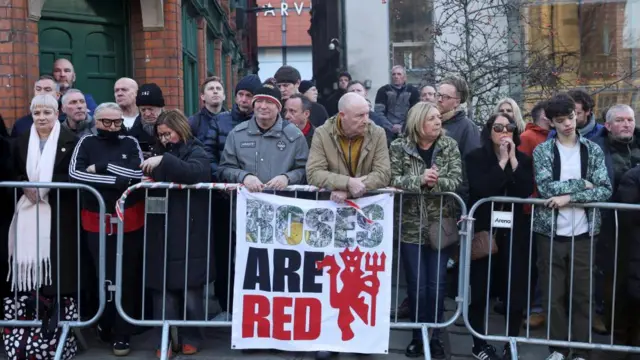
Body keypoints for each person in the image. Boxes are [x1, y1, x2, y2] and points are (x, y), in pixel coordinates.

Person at [306, 92, 390, 360]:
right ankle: (329, 338)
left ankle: (362, 338)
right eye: (360, 116)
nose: (367, 120)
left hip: (366, 219)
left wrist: (353, 188)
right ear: (342, 116)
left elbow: (384, 172)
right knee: (330, 281)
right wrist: (344, 182)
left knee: (361, 278)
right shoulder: (322, 133)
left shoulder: (377, 133)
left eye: (367, 113)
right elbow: (314, 172)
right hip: (330, 219)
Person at [532, 93, 612, 360]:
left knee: (583, 296)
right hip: (550, 233)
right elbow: (546, 188)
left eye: (571, 117)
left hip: (585, 232)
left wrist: (568, 197)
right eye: (561, 120)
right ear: (551, 122)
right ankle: (557, 349)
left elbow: (604, 189)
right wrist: (582, 185)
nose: (568, 123)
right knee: (552, 297)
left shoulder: (593, 149)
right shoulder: (543, 150)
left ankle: (581, 351)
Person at [69, 102, 145, 356]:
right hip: (95, 219)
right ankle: (105, 322)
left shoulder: (130, 142)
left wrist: (103, 168)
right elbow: (76, 174)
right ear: (97, 122)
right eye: (107, 122)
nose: (113, 127)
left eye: (117, 122)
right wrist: (116, 180)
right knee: (101, 274)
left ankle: (123, 332)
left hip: (129, 220)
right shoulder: (86, 142)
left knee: (127, 275)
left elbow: (137, 176)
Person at [389, 102, 462, 359]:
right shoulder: (399, 146)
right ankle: (417, 337)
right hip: (410, 226)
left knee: (437, 285)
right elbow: (392, 179)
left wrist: (435, 182)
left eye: (438, 117)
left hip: (439, 225)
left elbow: (456, 179)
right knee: (417, 286)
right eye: (432, 118)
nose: (437, 121)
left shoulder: (449, 145)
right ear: (419, 122)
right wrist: (418, 180)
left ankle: (437, 337)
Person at [140, 109, 213, 357]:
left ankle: (192, 335)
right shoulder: (159, 152)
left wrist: (163, 162)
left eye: (167, 133)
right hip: (161, 228)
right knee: (162, 289)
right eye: (160, 135)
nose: (163, 139)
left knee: (190, 287)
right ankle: (166, 339)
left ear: (180, 129)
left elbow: (196, 172)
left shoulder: (197, 150)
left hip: (189, 227)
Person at [466, 113, 534, 360]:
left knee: (514, 289)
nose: (504, 132)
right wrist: (502, 162)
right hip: (485, 229)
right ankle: (479, 344)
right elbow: (481, 188)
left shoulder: (523, 160)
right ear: (489, 130)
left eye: (509, 127)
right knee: (480, 288)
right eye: (498, 127)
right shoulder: (475, 157)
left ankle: (511, 343)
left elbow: (525, 189)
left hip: (514, 232)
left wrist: (513, 160)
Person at [8, 94, 80, 298]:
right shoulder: (19, 143)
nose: (41, 117)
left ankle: (59, 312)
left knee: (59, 267)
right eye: (36, 113)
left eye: (47, 112)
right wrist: (23, 184)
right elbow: (13, 171)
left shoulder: (72, 142)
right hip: (28, 210)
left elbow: (74, 174)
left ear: (57, 114)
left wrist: (46, 185)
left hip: (60, 212)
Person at [217, 82, 308, 189]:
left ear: (278, 108)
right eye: (259, 101)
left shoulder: (294, 136)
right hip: (246, 201)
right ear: (253, 105)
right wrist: (244, 177)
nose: (263, 106)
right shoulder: (237, 134)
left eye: (269, 102)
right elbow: (225, 169)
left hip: (282, 201)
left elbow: (305, 170)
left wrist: (287, 178)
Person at [518, 100, 550, 330]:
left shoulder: (553, 138)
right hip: (532, 209)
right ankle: (530, 307)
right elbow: (522, 172)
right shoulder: (529, 137)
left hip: (545, 208)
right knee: (532, 262)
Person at [203, 74, 261, 179]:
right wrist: (222, 177)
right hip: (225, 187)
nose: (243, 99)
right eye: (240, 94)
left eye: (248, 95)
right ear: (235, 97)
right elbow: (208, 154)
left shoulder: (263, 123)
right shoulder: (219, 121)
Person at [374, 65, 420, 139]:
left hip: (407, 131)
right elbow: (378, 112)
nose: (396, 76)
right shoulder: (383, 90)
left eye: (399, 74)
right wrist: (391, 127)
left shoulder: (413, 91)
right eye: (394, 74)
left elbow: (415, 112)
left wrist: (403, 127)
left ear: (404, 77)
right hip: (386, 131)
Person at [128, 83, 165, 158]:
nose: (147, 114)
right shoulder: (132, 135)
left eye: (151, 109)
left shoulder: (175, 129)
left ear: (161, 108)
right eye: (143, 110)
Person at [189, 76, 227, 143]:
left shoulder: (231, 119)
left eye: (218, 88)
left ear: (224, 96)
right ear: (202, 97)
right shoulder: (193, 122)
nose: (215, 91)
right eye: (211, 89)